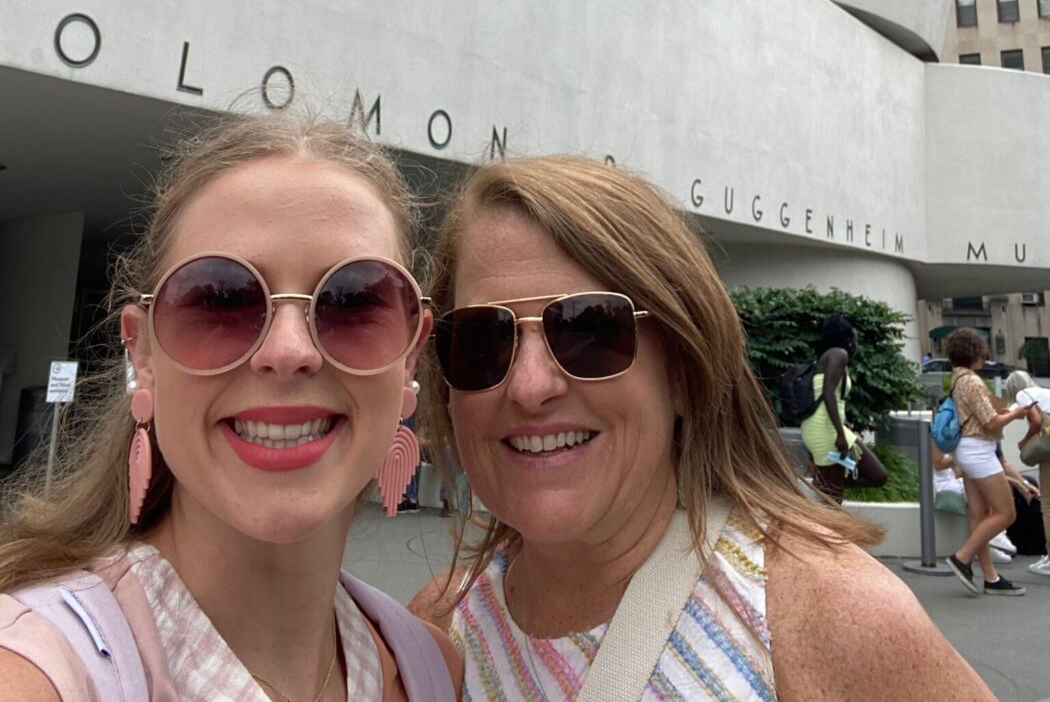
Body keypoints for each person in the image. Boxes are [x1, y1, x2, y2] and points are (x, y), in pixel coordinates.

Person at [411, 155, 994, 700]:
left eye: (590, 329)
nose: (529, 386)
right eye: (483, 339)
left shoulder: (827, 616)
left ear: (684, 373)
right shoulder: (433, 636)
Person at [0, 111, 461, 701]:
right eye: (220, 299)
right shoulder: (41, 672)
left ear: (410, 357)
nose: (288, 352)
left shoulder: (430, 671)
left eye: (351, 302)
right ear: (143, 355)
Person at [943, 327, 1030, 598]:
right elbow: (990, 423)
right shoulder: (972, 381)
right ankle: (962, 557)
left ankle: (990, 577)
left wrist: (1000, 413)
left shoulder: (957, 378)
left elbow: (983, 414)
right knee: (1006, 513)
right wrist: (1017, 413)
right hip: (979, 450)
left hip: (965, 450)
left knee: (978, 515)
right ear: (976, 352)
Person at [798, 315, 887, 504]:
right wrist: (839, 434)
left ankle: (827, 482)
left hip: (828, 426)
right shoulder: (839, 354)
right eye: (854, 337)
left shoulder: (829, 356)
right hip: (825, 428)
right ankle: (827, 485)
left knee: (878, 475)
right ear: (847, 338)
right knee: (832, 503)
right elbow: (828, 391)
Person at [1003, 368, 1050, 573]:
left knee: (1047, 502)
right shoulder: (1045, 392)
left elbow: (1037, 421)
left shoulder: (1025, 395)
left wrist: (1025, 442)